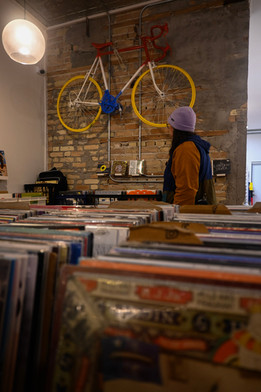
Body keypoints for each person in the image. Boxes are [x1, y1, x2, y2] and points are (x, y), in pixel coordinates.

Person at [163, 106, 216, 205]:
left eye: (169, 125)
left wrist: (176, 216)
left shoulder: (186, 149)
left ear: (175, 128)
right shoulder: (194, 146)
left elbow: (186, 191)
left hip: (186, 213)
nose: (168, 129)